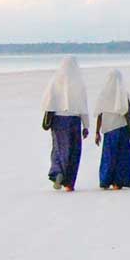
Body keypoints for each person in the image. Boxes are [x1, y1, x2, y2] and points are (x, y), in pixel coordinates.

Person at [39, 56, 89, 191]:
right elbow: (83, 106)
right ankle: (69, 183)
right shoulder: (79, 83)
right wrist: (86, 126)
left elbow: (48, 102)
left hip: (58, 120)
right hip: (74, 120)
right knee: (74, 151)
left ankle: (58, 172)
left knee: (58, 148)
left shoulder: (55, 81)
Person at [93, 69, 130, 190]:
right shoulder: (123, 93)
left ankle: (106, 180)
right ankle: (118, 182)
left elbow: (99, 114)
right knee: (121, 157)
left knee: (109, 156)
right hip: (121, 127)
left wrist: (97, 132)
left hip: (108, 129)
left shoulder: (103, 94)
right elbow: (129, 110)